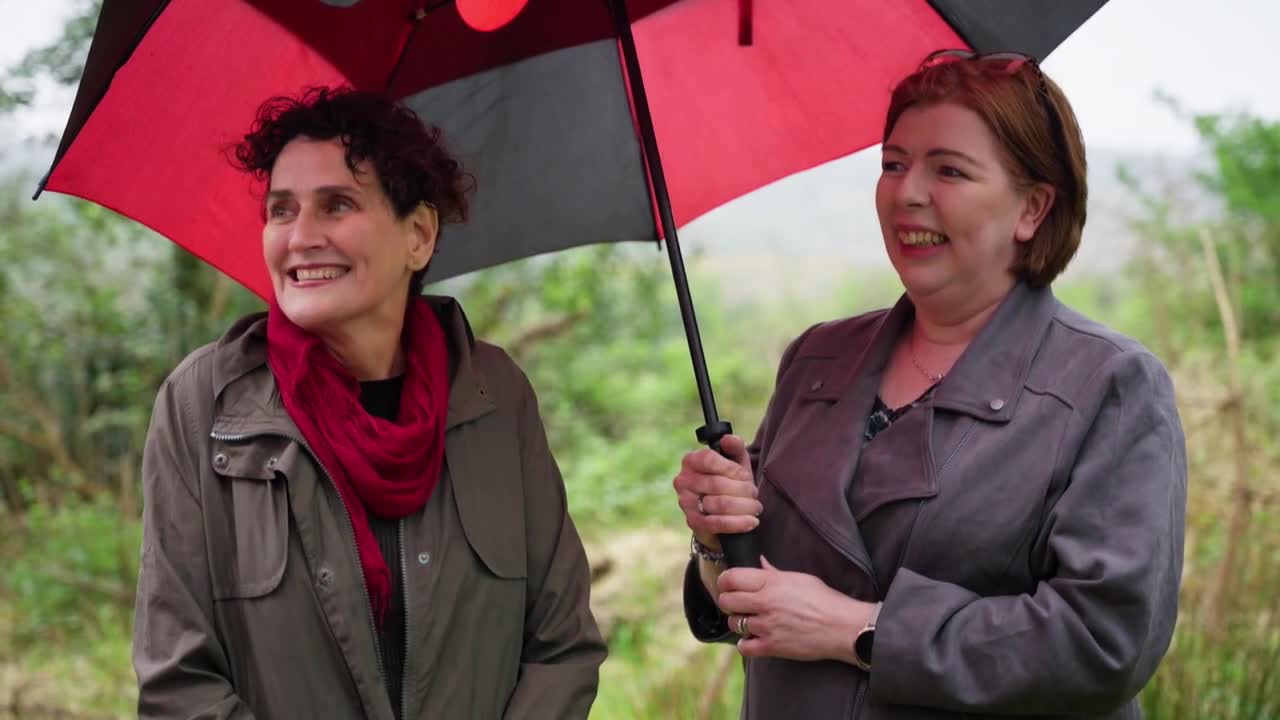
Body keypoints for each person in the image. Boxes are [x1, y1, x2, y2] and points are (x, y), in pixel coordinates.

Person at [673, 50, 1187, 719]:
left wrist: (861, 630)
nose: (907, 192)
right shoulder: (816, 360)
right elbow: (752, 609)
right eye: (893, 164)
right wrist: (717, 538)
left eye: (949, 170)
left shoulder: (1109, 386)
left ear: (1032, 209)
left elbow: (1101, 644)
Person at [132, 86, 606, 719]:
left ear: (419, 234)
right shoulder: (203, 406)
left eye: (337, 205)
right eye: (281, 210)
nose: (300, 237)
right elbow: (179, 682)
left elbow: (562, 647)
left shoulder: (493, 394)